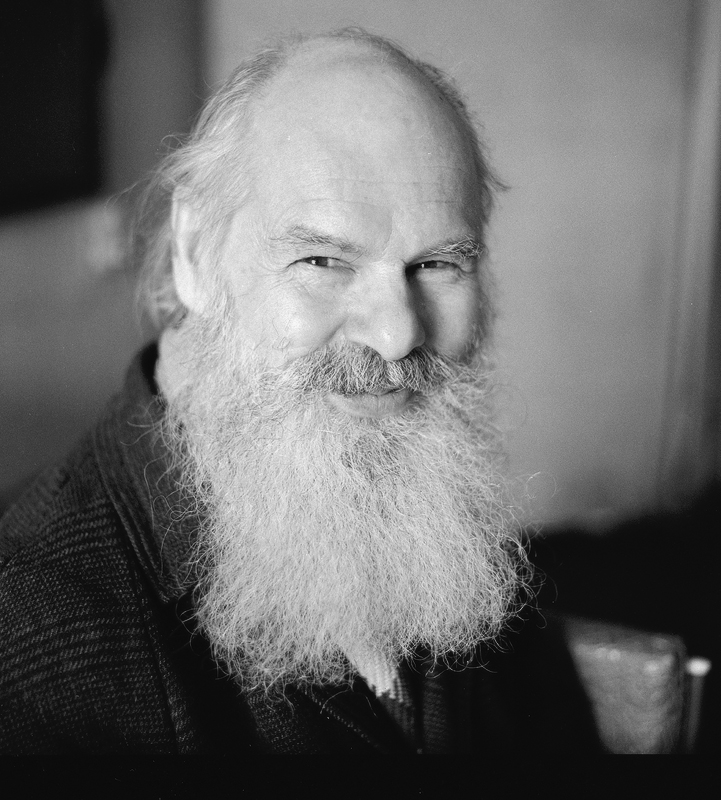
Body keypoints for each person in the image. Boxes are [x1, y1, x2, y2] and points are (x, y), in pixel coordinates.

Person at [0, 28, 600, 754]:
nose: (396, 334)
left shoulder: (445, 512)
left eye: (438, 264)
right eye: (322, 260)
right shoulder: (30, 649)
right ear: (194, 250)